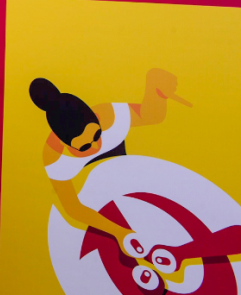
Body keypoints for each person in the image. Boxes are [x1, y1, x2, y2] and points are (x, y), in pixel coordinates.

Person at [29, 69, 189, 255]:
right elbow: (73, 208)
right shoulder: (55, 157)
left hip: (132, 180)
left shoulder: (109, 115)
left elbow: (151, 116)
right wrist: (118, 232)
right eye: (84, 147)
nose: (96, 146)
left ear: (97, 118)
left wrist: (156, 90)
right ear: (63, 143)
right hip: (101, 198)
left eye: (97, 134)